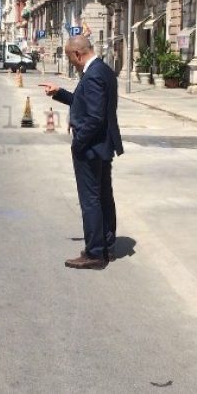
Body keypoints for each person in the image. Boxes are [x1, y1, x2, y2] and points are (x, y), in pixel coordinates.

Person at [39, 35, 124, 270]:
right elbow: (84, 102)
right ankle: (106, 244)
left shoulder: (94, 73)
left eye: (69, 57)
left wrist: (78, 144)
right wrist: (60, 93)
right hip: (101, 146)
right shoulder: (102, 69)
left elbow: (95, 117)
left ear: (77, 54)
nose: (71, 62)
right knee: (103, 196)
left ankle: (95, 253)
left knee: (91, 200)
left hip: (91, 148)